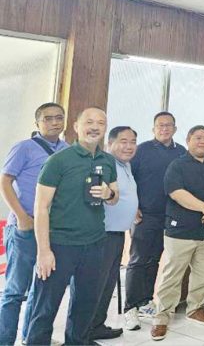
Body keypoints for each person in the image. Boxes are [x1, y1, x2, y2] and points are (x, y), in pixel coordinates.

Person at [27, 107, 119, 345]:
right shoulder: (58, 161)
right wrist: (43, 251)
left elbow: (115, 196)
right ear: (76, 126)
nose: (95, 126)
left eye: (101, 122)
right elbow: (41, 208)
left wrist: (108, 193)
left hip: (95, 244)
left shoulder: (108, 160)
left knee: (85, 304)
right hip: (60, 245)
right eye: (89, 121)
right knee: (45, 307)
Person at [150, 126, 204, 341]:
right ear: (188, 140)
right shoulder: (177, 165)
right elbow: (177, 193)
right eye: (197, 138)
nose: (202, 142)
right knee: (172, 275)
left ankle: (195, 308)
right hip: (181, 231)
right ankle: (161, 316)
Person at [0, 103, 68, 345]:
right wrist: (21, 217)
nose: (55, 122)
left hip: (51, 230)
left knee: (40, 290)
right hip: (24, 227)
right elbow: (5, 182)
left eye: (59, 118)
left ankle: (32, 338)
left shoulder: (67, 150)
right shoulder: (24, 148)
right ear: (37, 123)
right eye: (48, 119)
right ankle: (5, 340)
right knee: (15, 290)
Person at [125, 112, 186, 330]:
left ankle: (145, 301)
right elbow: (127, 179)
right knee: (138, 259)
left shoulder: (181, 152)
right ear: (153, 129)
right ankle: (130, 307)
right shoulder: (141, 150)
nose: (164, 129)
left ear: (175, 129)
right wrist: (133, 207)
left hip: (170, 215)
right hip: (143, 214)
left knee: (155, 260)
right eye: (160, 126)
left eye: (169, 125)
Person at [90, 127, 139, 341]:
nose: (129, 146)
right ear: (110, 143)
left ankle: (97, 325)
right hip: (102, 234)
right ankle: (83, 332)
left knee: (107, 283)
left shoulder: (124, 165)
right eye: (123, 141)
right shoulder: (102, 163)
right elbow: (93, 194)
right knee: (94, 284)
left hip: (117, 233)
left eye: (133, 142)